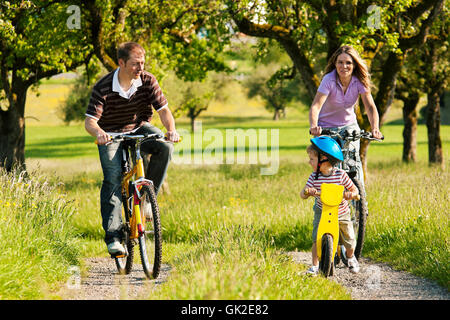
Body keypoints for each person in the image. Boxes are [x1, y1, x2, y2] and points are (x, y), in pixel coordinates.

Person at [85, 42, 180, 255]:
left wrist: (171, 130)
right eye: (136, 64)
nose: (141, 68)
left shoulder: (147, 80)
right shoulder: (104, 86)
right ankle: (114, 238)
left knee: (165, 148)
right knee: (113, 177)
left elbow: (164, 111)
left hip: (139, 128)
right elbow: (90, 122)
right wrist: (99, 133)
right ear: (121, 63)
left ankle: (147, 199)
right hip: (111, 134)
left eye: (143, 63)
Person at [309, 45, 383, 187]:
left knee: (354, 165)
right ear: (335, 64)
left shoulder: (359, 81)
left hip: (349, 126)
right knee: (326, 169)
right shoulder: (328, 80)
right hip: (326, 128)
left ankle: (361, 207)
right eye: (340, 62)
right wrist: (314, 126)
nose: (344, 66)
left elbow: (370, 107)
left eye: (348, 62)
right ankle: (321, 206)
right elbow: (316, 106)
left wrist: (375, 128)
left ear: (354, 65)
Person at [300, 136, 360, 275]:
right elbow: (303, 194)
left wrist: (351, 194)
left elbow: (354, 190)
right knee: (317, 238)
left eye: (312, 159)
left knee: (349, 239)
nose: (309, 162)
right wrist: (308, 192)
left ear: (324, 160)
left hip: (341, 212)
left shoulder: (341, 175)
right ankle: (315, 266)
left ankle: (351, 258)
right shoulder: (314, 177)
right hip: (322, 211)